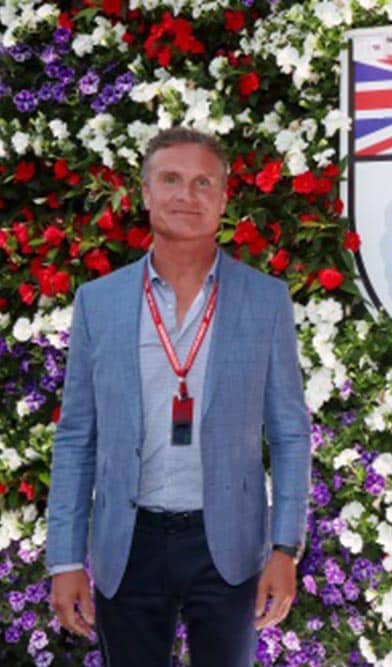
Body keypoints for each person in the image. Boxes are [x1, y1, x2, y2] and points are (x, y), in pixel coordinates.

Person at [44, 126, 312, 666]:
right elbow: (76, 437)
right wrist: (65, 559)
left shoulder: (265, 301)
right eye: (170, 179)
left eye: (202, 182)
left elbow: (288, 432)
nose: (185, 195)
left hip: (231, 548)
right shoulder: (99, 303)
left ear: (222, 199)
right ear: (145, 193)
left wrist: (285, 548)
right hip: (129, 543)